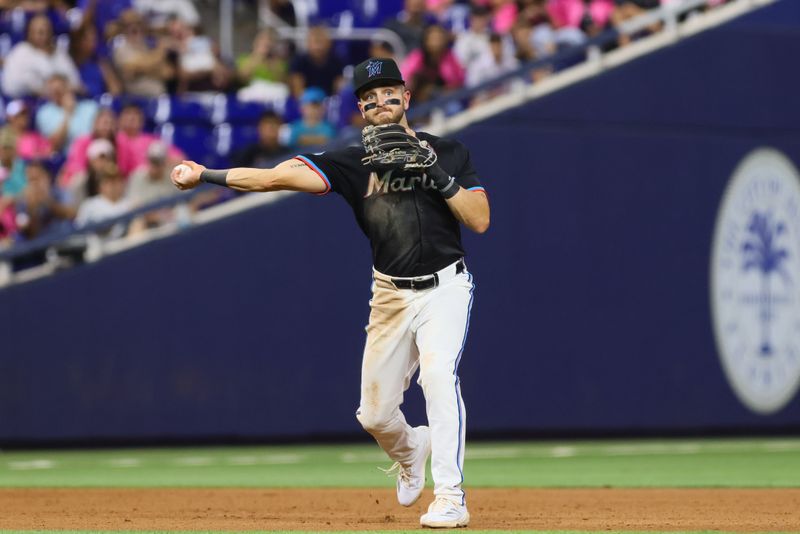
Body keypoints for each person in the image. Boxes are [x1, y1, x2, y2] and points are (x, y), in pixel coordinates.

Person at [172, 57, 489, 529]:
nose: (381, 101)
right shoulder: (350, 161)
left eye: (389, 92)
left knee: (438, 376)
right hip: (390, 295)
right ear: (362, 108)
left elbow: (479, 219)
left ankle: (450, 497)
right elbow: (274, 177)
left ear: (406, 95)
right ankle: (411, 450)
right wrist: (206, 175)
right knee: (376, 415)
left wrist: (434, 170)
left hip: (445, 285)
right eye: (370, 97)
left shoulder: (447, 150)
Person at [1, 13, 81, 98]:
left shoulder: (60, 53)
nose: (43, 35)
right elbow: (10, 87)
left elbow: (76, 83)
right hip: (31, 103)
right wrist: (45, 90)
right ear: (29, 33)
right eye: (38, 32)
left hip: (63, 101)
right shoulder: (21, 52)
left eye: (46, 31)